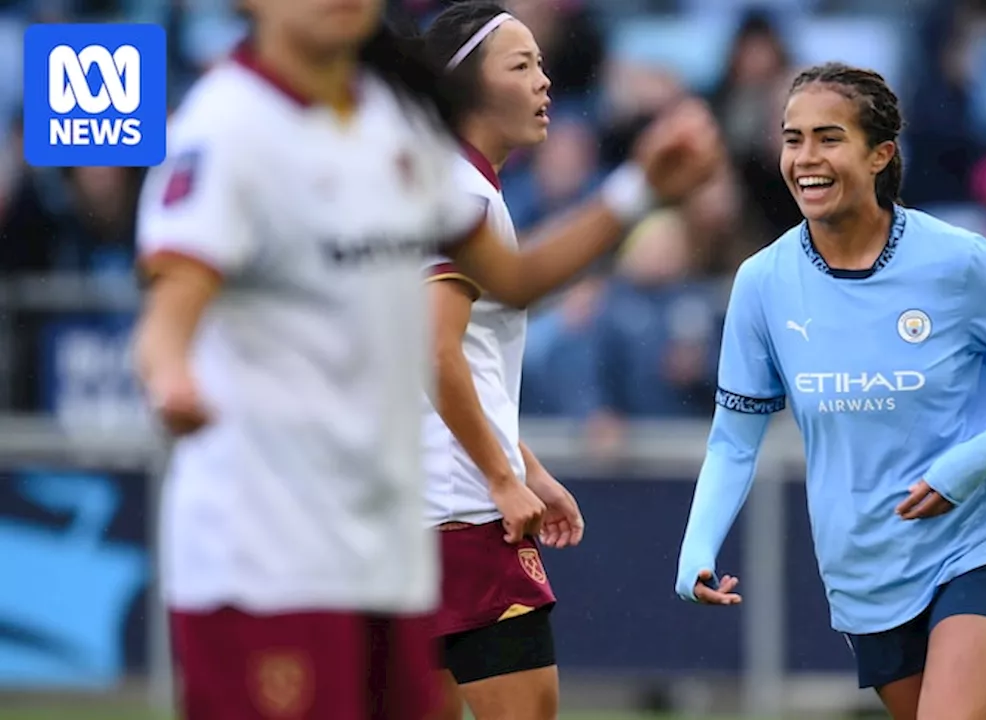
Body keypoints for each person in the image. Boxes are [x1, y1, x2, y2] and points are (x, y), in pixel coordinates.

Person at [131, 0, 721, 717]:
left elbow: (515, 277)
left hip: (383, 538)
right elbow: (168, 317)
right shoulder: (225, 127)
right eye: (519, 64)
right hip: (264, 549)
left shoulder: (391, 131)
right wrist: (172, 378)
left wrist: (637, 192)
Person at [674, 62, 986, 720]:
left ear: (880, 155)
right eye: (793, 138)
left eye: (829, 138)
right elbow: (733, 438)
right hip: (863, 567)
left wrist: (969, 462)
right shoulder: (762, 282)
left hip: (978, 543)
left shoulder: (959, 260)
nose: (805, 158)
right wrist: (699, 545)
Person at [411, 4, 722, 719]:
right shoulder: (461, 195)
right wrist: (500, 478)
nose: (544, 82)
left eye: (542, 64)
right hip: (464, 516)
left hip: (425, 513)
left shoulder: (453, 187)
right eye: (520, 66)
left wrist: (529, 468)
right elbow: (432, 354)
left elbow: (447, 360)